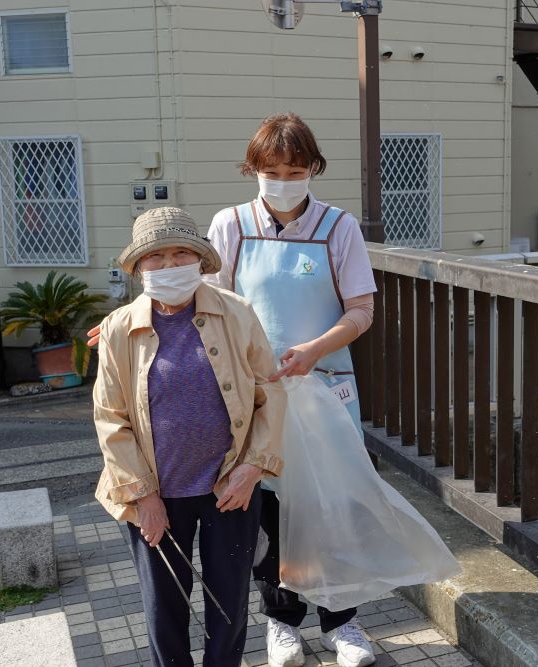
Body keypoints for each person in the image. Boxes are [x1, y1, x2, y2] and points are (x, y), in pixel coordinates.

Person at [206, 112, 377, 667]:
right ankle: (281, 623)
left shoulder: (338, 227)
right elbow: (208, 305)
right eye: (272, 171)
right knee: (269, 513)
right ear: (253, 169)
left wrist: (315, 350)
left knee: (334, 506)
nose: (283, 180)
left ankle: (343, 623)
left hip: (325, 388)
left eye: (295, 170)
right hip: (257, 395)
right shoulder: (230, 225)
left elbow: (361, 310)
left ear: (312, 169)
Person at [93, 206, 285, 667]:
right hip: (155, 493)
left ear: (200, 259)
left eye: (181, 253)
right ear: (139, 267)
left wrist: (252, 468)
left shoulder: (236, 312)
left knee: (229, 604)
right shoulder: (119, 328)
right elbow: (110, 418)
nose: (169, 264)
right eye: (155, 256)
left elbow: (271, 392)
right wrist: (143, 496)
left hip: (230, 486)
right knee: (164, 610)